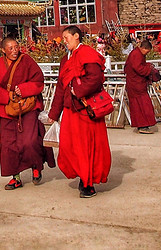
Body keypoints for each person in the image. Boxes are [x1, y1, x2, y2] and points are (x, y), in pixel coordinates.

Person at [44, 26, 110, 198]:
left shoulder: (86, 53)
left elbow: (95, 78)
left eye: (66, 37)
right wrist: (54, 113)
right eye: (63, 38)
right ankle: (82, 175)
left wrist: (77, 90)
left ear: (76, 37)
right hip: (70, 110)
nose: (64, 41)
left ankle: (88, 183)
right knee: (70, 146)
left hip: (85, 109)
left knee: (88, 147)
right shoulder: (65, 59)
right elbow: (60, 86)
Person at [0, 37, 51, 189]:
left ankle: (36, 166)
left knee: (29, 141)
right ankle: (15, 177)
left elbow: (39, 80)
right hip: (8, 108)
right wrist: (8, 95)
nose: (14, 50)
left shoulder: (27, 60)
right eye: (10, 48)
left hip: (28, 106)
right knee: (8, 145)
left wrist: (23, 89)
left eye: (16, 47)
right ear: (3, 50)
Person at [124, 38, 160, 134]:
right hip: (136, 84)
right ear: (143, 48)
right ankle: (142, 125)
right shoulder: (136, 54)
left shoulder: (137, 53)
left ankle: (143, 125)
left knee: (141, 105)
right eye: (147, 51)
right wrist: (148, 69)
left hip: (138, 83)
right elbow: (138, 68)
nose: (147, 53)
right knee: (142, 105)